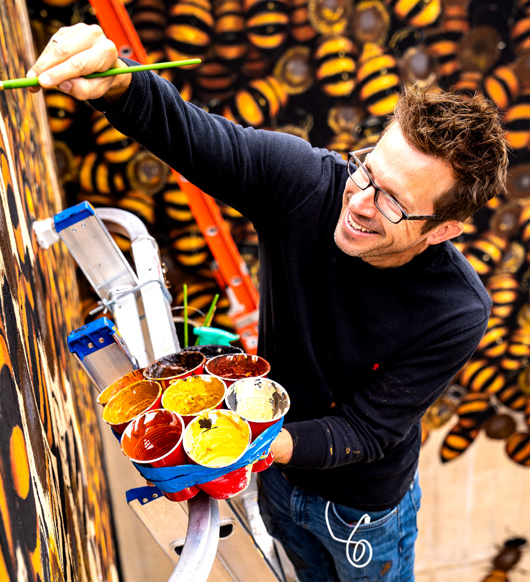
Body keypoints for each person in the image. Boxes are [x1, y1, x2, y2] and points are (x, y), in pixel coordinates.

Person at [28, 23, 508, 582]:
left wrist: (257, 443)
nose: (359, 202)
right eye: (367, 171)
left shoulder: (456, 310)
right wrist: (114, 83)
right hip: (279, 480)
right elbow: (191, 134)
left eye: (394, 202)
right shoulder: (307, 184)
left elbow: (368, 432)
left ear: (444, 229)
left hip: (363, 511)